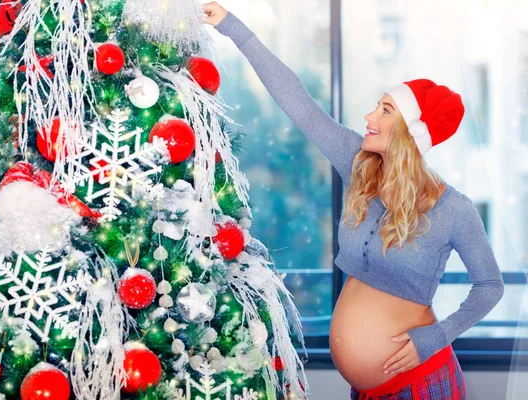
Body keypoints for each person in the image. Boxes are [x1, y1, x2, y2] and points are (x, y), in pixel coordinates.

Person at [202, 2, 505, 399]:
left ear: (411, 133)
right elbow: (299, 103)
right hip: (364, 391)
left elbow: (490, 286)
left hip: (421, 383)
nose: (369, 116)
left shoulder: (454, 210)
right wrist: (233, 27)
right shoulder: (357, 163)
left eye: (385, 109)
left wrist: (436, 337)